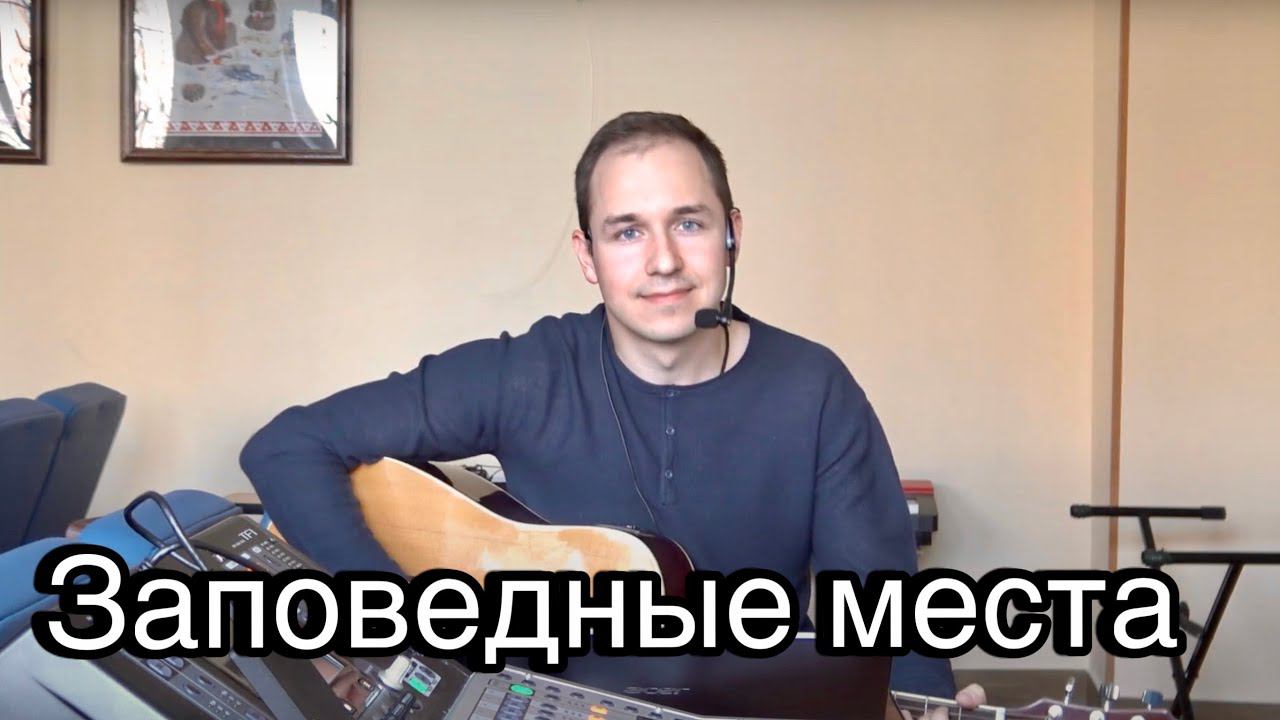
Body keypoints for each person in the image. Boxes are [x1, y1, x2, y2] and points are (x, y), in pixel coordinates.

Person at [240, 111, 985, 718]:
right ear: (587, 255)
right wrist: (395, 629)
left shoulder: (816, 390)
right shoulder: (526, 372)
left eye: (688, 223)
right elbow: (287, 447)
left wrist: (920, 707)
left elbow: (889, 619)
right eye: (627, 231)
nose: (662, 261)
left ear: (732, 234)